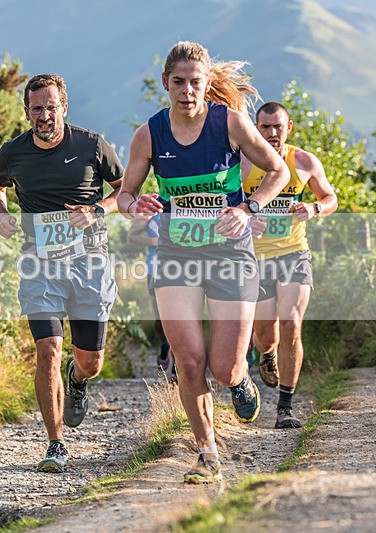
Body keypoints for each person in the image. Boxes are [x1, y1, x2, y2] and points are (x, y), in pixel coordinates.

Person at [117, 41, 290, 484]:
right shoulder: (148, 135)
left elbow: (278, 171)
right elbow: (124, 195)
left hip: (230, 254)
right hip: (177, 255)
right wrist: (136, 205)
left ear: (207, 83)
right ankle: (207, 453)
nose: (187, 91)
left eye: (196, 82)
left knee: (223, 367)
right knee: (188, 361)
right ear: (166, 84)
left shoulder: (230, 123)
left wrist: (247, 209)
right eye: (179, 83)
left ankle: (240, 380)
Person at [0, 74, 124, 473]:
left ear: (65, 106)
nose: (44, 116)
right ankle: (55, 443)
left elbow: (124, 189)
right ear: (26, 112)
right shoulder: (14, 152)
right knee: (47, 348)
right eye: (36, 109)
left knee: (91, 361)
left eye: (50, 107)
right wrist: (3, 215)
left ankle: (77, 381)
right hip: (39, 263)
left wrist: (97, 210)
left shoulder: (91, 144)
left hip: (89, 262)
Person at [243, 101, 338, 428]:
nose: (270, 133)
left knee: (292, 324)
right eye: (264, 127)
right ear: (256, 128)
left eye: (277, 127)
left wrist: (314, 209)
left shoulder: (304, 161)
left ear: (289, 127)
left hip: (294, 253)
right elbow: (226, 202)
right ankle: (266, 354)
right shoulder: (243, 162)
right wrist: (246, 220)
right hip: (256, 258)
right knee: (266, 334)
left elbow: (330, 198)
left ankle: (285, 407)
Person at [127, 213, 176, 382]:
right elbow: (132, 236)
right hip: (154, 268)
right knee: (160, 316)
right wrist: (154, 241)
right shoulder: (154, 206)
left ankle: (177, 365)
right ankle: (165, 345)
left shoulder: (187, 202)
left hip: (182, 267)